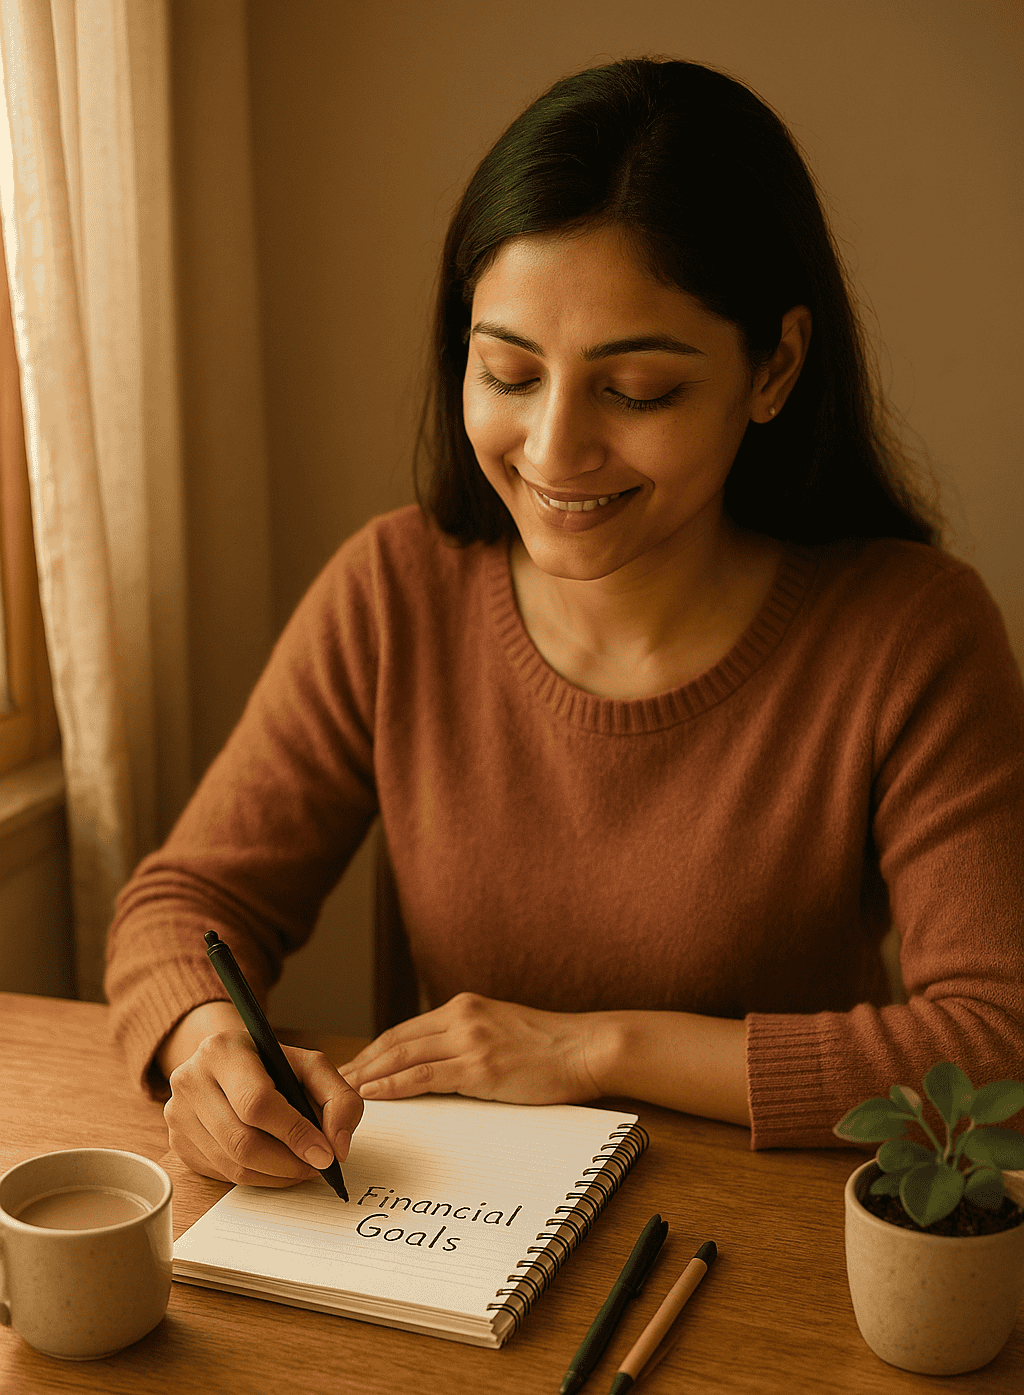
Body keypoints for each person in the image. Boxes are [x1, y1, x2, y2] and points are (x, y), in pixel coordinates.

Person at [105, 56, 1024, 1188]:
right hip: (455, 1237)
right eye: (507, 373)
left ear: (774, 367)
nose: (551, 452)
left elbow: (995, 1051)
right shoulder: (395, 591)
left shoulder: (910, 633)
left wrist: (592, 1045)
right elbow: (184, 905)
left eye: (636, 392)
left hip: (779, 1253)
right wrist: (208, 1046)